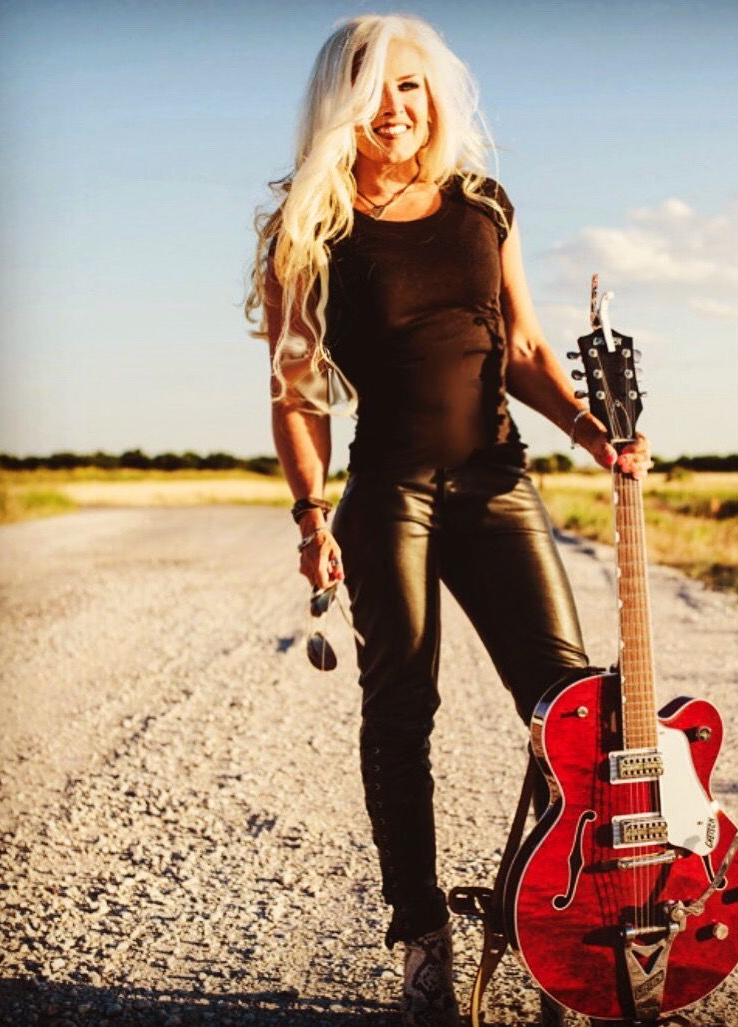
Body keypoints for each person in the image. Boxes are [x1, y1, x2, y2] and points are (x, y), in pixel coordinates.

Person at [246, 14, 651, 1026]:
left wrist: (591, 433)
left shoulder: (482, 204)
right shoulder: (311, 226)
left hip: (496, 481)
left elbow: (524, 347)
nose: (394, 108)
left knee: (569, 709)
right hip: (390, 492)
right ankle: (423, 940)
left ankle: (567, 919)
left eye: (411, 87)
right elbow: (296, 393)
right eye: (372, 89)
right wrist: (310, 514)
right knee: (399, 712)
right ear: (340, 104)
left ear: (435, 99)